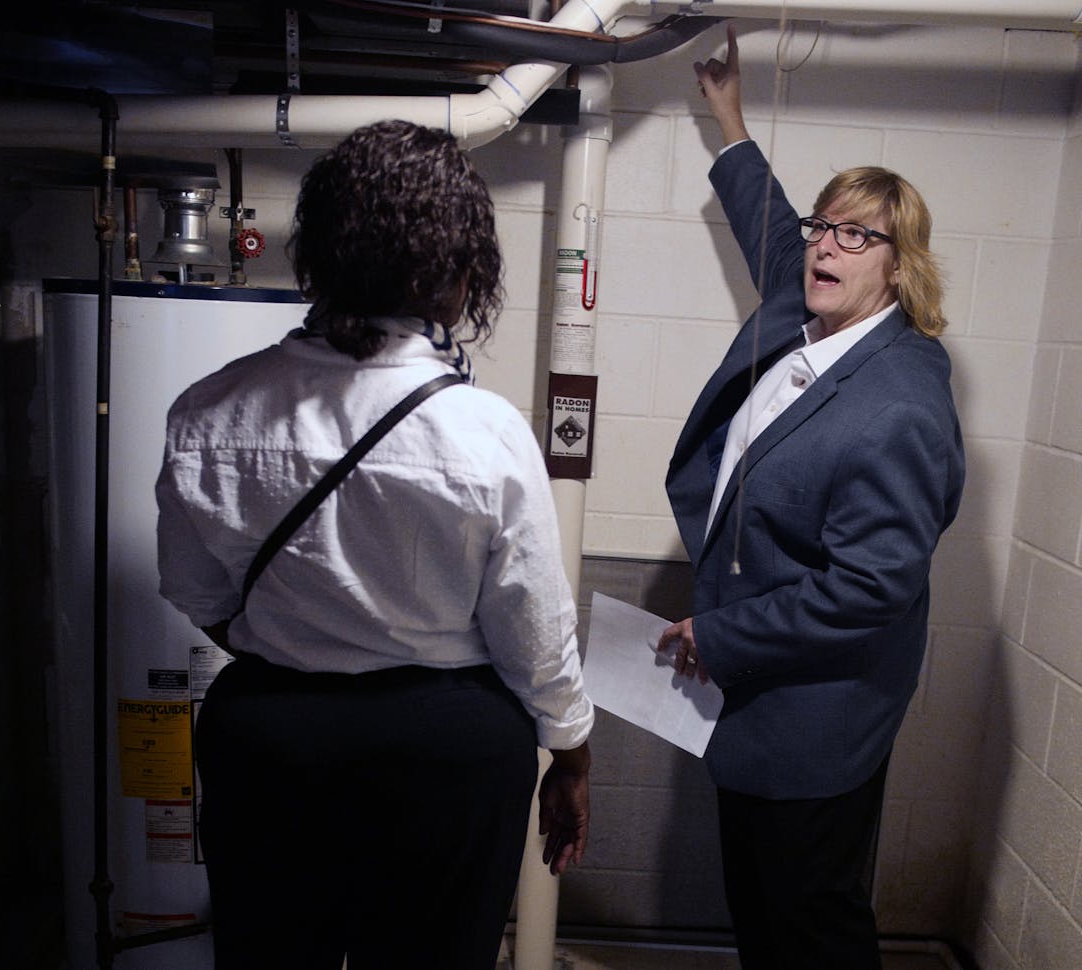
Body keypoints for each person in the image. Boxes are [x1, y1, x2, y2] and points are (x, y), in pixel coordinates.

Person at [156, 119, 594, 970]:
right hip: (449, 757)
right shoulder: (486, 434)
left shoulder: (209, 409)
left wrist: (302, 648)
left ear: (319, 254)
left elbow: (197, 592)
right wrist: (571, 758)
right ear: (458, 272)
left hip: (269, 740)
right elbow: (535, 635)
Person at [654, 24, 965, 970]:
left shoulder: (900, 402)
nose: (824, 244)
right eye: (822, 227)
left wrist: (723, 637)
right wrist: (728, 116)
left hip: (816, 719)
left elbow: (873, 587)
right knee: (763, 917)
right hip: (763, 699)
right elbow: (767, 220)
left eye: (855, 233)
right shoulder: (811, 312)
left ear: (897, 265)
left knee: (808, 927)